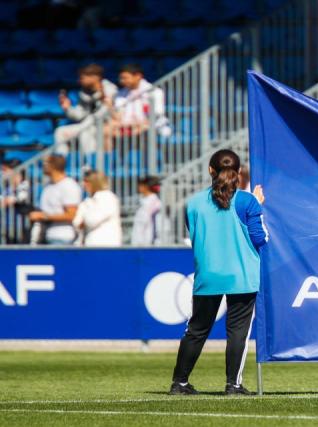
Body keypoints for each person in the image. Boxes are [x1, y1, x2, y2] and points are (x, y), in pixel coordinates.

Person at [171, 149, 268, 396]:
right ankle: (232, 385)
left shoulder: (193, 203)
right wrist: (257, 205)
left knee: (196, 330)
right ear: (239, 173)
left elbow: (194, 237)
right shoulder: (247, 201)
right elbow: (260, 238)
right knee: (237, 332)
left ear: (210, 171)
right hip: (242, 275)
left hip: (208, 274)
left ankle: (179, 383)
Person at [55, 63, 117, 153]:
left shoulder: (110, 89)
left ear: (95, 77)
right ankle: (61, 161)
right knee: (60, 132)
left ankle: (90, 163)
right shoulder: (83, 93)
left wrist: (87, 122)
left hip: (106, 125)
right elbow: (80, 115)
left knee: (85, 131)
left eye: (82, 78)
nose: (79, 81)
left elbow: (106, 113)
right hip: (88, 125)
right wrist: (68, 108)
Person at [106, 63, 167, 149]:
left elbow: (157, 114)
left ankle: (145, 159)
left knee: (143, 129)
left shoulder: (154, 91)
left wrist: (138, 124)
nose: (122, 81)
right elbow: (118, 116)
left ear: (138, 76)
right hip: (127, 125)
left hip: (150, 125)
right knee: (106, 129)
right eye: (121, 78)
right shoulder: (120, 94)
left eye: (125, 78)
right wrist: (110, 107)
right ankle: (111, 160)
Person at [28, 155, 82, 245]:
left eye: (46, 163)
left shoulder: (69, 186)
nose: (43, 166)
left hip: (63, 237)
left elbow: (71, 214)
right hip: (47, 235)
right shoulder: (48, 186)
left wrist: (43, 216)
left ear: (53, 166)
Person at [73, 170, 122, 247]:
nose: (83, 184)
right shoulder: (87, 200)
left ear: (95, 182)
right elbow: (76, 223)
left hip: (106, 245)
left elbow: (92, 220)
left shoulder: (108, 198)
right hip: (88, 244)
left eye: (86, 181)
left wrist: (84, 220)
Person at [131, 176, 162, 246]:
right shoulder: (147, 202)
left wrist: (140, 243)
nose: (139, 187)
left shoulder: (151, 203)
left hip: (146, 245)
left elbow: (143, 224)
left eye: (141, 185)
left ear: (146, 187)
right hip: (144, 244)